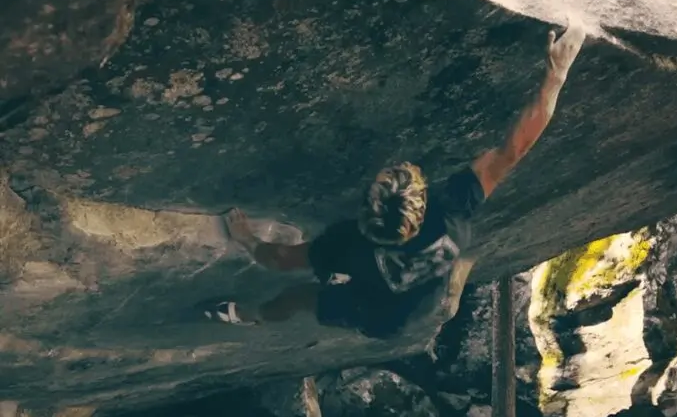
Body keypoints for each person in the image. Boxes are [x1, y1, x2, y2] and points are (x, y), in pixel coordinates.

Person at [203, 20, 587, 339]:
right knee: (440, 271)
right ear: (421, 205)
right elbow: (512, 150)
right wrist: (556, 76)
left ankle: (250, 314)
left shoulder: (346, 243)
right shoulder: (450, 210)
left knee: (300, 298)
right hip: (416, 299)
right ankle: (449, 294)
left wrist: (248, 239)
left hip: (376, 313)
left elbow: (280, 259)